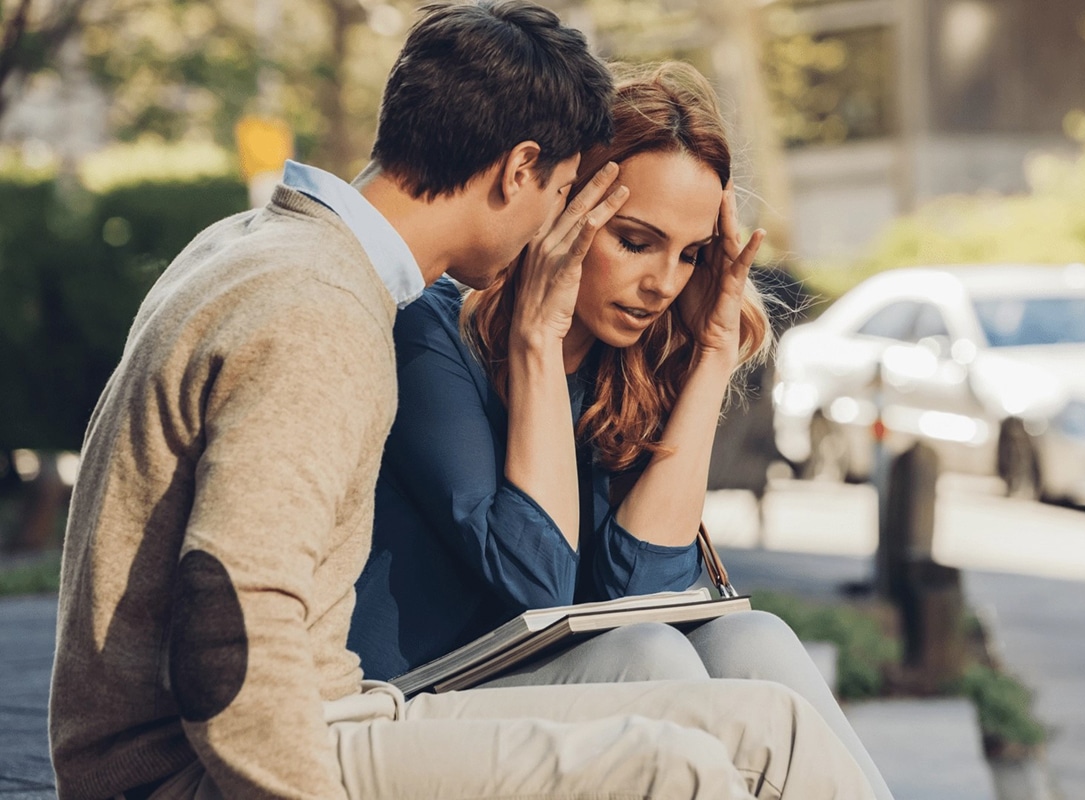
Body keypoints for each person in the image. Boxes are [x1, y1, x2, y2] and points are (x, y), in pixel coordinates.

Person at [48, 2, 876, 798]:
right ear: (521, 170)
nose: (558, 223)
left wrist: (702, 356)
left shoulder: (269, 252)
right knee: (679, 764)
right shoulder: (322, 313)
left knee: (769, 715)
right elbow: (231, 620)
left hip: (307, 721)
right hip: (228, 762)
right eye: (563, 193)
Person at [349, 61, 893, 800]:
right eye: (637, 241)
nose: (665, 283)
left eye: (691, 254)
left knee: (751, 638)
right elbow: (533, 584)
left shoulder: (631, 365)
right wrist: (537, 339)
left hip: (552, 680)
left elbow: (644, 587)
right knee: (650, 658)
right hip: (416, 698)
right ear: (566, 210)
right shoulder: (431, 335)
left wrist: (708, 359)